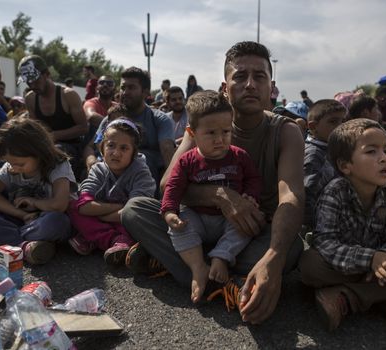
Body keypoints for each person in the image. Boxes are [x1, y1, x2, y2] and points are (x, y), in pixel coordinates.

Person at [122, 41, 305, 324]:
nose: (250, 85)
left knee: (290, 248)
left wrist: (274, 257)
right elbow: (167, 185)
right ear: (224, 87)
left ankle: (182, 266)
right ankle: (223, 279)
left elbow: (290, 198)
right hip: (195, 222)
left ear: (272, 87)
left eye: (260, 77)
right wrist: (221, 195)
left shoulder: (286, 131)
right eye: (240, 76)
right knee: (134, 210)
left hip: (246, 234)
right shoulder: (205, 125)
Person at [299, 118, 386, 331]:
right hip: (343, 264)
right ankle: (385, 295)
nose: (384, 159)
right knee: (309, 264)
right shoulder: (335, 191)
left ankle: (347, 297)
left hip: (377, 261)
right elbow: (326, 243)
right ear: (345, 166)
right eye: (371, 152)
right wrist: (371, 260)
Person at [161, 90, 261, 303]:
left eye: (225, 131)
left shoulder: (239, 156)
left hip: (228, 219)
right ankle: (198, 267)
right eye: (211, 133)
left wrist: (250, 197)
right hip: (196, 217)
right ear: (192, 132)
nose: (219, 139)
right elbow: (173, 188)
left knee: (245, 227)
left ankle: (220, 258)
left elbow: (253, 180)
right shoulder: (186, 161)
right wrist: (169, 211)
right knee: (178, 227)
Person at [0, 117, 77, 264]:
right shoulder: (11, 166)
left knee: (57, 222)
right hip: (20, 220)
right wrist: (22, 214)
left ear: (38, 152)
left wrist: (34, 202)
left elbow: (59, 205)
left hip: (44, 221)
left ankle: (2, 240)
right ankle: (24, 245)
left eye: (20, 164)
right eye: (11, 163)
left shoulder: (57, 165)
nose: (14, 168)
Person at [68, 118, 155, 265]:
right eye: (111, 145)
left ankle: (96, 239)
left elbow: (136, 211)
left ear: (133, 152)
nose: (116, 153)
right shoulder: (98, 169)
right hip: (110, 215)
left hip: (122, 221)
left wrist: (101, 216)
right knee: (72, 206)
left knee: (136, 219)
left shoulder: (141, 172)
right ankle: (114, 240)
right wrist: (120, 207)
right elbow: (83, 205)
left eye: (124, 148)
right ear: (102, 148)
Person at [94, 67, 175, 188]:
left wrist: (170, 190)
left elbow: (168, 156)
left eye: (131, 88)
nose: (125, 92)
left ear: (146, 92)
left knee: (143, 160)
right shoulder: (111, 120)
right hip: (108, 179)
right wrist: (91, 161)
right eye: (123, 87)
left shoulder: (160, 120)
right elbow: (90, 147)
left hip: (144, 188)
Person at [19, 55, 88, 164]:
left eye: (35, 80)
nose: (32, 85)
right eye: (28, 82)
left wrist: (54, 136)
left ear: (47, 74)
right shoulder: (30, 98)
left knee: (54, 153)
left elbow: (83, 128)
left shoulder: (68, 95)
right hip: (45, 145)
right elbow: (35, 129)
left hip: (71, 146)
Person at [303, 99, 346, 229]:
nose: (340, 126)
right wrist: (315, 229)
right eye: (333, 122)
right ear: (313, 127)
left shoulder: (331, 148)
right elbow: (307, 194)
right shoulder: (314, 154)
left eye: (343, 121)